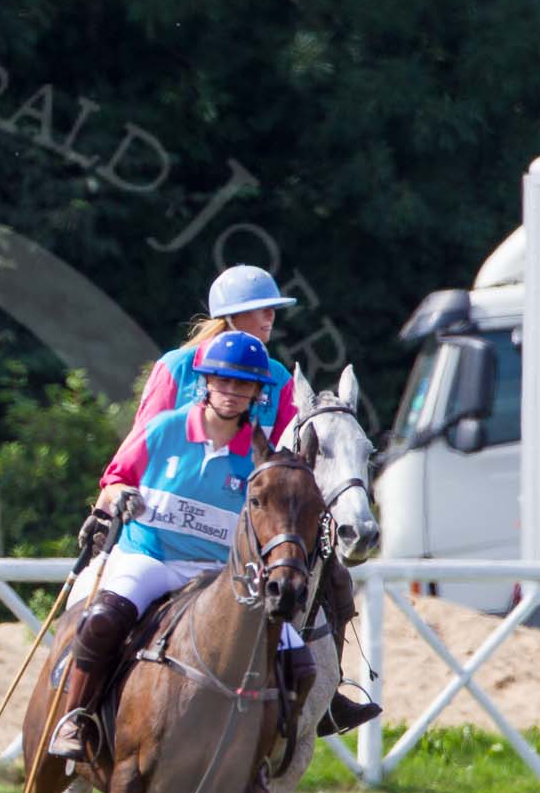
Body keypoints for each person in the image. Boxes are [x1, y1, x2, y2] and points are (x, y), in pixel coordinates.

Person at [48, 330, 315, 793]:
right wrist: (114, 498)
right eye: (223, 382)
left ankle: (262, 757)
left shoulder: (261, 452)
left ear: (258, 393)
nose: (232, 393)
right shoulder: (165, 428)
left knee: (298, 657)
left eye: (244, 386)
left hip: (215, 575)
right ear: (206, 383)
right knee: (103, 619)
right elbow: (114, 479)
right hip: (151, 556)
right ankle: (78, 717)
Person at [118, 264, 378, 736]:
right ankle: (83, 706)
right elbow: (145, 435)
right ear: (232, 315)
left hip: (240, 526)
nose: (270, 320)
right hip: (161, 527)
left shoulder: (277, 376)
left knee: (330, 578)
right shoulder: (177, 365)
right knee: (110, 618)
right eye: (262, 310)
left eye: (273, 312)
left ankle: (328, 693)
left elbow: (282, 450)